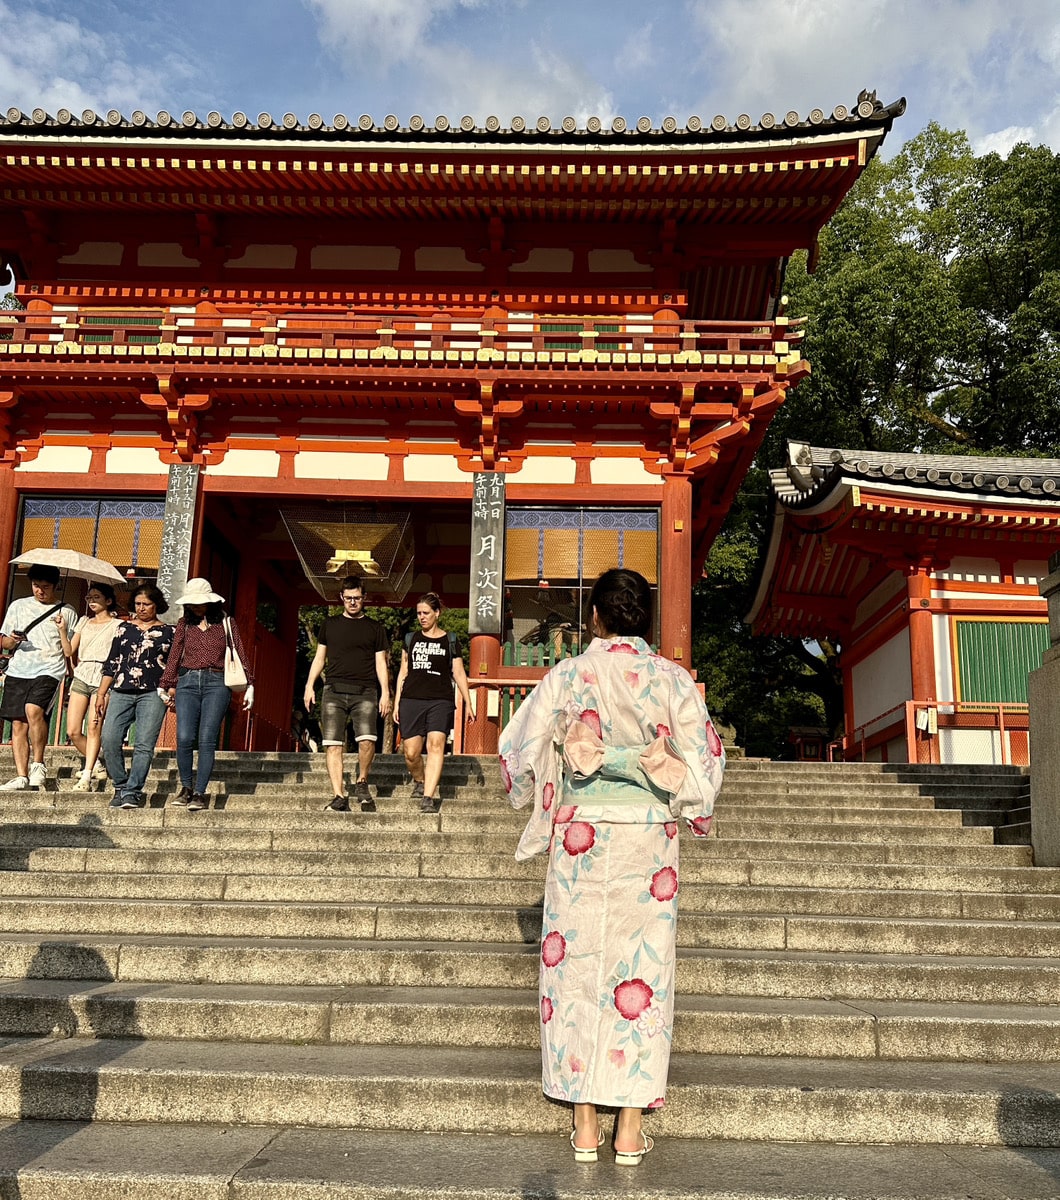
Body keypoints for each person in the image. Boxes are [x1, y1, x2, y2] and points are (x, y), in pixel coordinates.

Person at [498, 568, 725, 1167]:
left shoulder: (568, 675)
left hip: (581, 836)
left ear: (595, 618)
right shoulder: (672, 679)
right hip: (649, 839)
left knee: (575, 966)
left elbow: (518, 745)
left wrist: (549, 778)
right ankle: (629, 1127)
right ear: (643, 620)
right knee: (640, 975)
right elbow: (704, 759)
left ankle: (583, 1121)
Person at [161, 578, 255, 812]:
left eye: (200, 602)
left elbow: (239, 651)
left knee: (207, 738)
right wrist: (165, 683)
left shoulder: (226, 622)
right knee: (183, 737)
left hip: (216, 682)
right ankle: (186, 787)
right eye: (192, 602)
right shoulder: (185, 624)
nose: (195, 606)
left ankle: (200, 792)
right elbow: (175, 654)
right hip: (188, 681)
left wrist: (250, 684)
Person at [303, 576, 391, 813]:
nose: (353, 602)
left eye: (357, 598)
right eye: (348, 598)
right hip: (334, 690)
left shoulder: (375, 628)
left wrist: (386, 693)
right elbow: (319, 658)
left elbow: (381, 663)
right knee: (333, 744)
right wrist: (309, 685)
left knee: (367, 740)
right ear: (341, 597)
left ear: (364, 598)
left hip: (366, 690)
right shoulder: (329, 625)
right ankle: (339, 795)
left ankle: (362, 780)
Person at [394, 592, 476, 813]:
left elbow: (458, 672)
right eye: (419, 613)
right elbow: (403, 672)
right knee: (410, 752)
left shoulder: (450, 640)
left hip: (440, 699)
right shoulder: (410, 639)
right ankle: (420, 781)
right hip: (411, 699)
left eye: (426, 613)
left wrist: (468, 701)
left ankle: (428, 797)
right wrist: (396, 703)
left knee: (436, 745)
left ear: (437, 613)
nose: (422, 617)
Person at [96, 584, 174, 810]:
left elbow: (173, 666)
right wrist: (102, 693)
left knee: (144, 744)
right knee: (109, 738)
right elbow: (112, 663)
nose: (141, 608)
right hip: (121, 689)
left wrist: (171, 688)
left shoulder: (169, 632)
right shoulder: (123, 628)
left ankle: (133, 791)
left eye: (146, 604)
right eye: (138, 604)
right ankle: (120, 784)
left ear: (156, 605)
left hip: (152, 692)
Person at [0, 564, 78, 791]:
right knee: (18, 721)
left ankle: (38, 763)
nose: (40, 591)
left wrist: (63, 630)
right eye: (36, 586)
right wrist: (13, 640)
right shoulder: (18, 606)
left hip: (49, 668)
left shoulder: (67, 611)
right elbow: (4, 642)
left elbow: (69, 649)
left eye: (45, 587)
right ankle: (21, 775)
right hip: (19, 668)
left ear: (56, 586)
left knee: (33, 710)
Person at [61, 583, 122, 791]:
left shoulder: (117, 625)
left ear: (108, 600)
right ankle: (95, 762)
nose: (92, 601)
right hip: (82, 673)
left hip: (103, 676)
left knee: (94, 727)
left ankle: (86, 776)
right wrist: (62, 631)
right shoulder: (83, 621)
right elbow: (69, 651)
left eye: (96, 597)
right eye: (89, 598)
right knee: (72, 730)